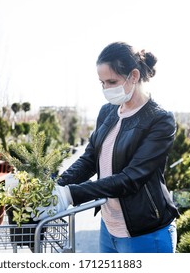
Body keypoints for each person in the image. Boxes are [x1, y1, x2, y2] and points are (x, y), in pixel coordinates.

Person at [37, 41, 179, 253]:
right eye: (102, 83)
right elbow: (89, 159)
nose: (106, 89)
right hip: (109, 229)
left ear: (134, 76)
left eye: (112, 81)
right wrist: (56, 188)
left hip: (146, 233)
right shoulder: (108, 112)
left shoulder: (159, 120)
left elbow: (131, 179)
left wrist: (71, 195)